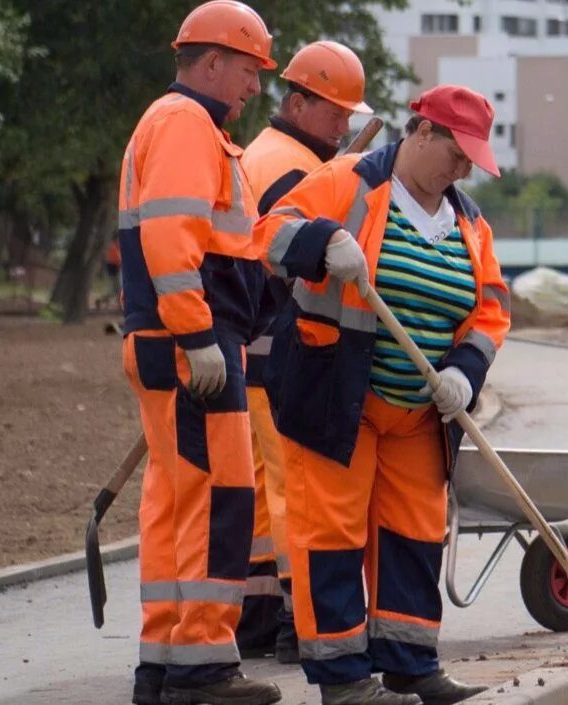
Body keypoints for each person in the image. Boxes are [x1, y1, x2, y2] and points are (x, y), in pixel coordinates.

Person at [254, 84, 506, 705]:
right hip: (336, 401)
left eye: (472, 159)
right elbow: (267, 232)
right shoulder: (348, 183)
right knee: (332, 535)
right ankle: (343, 682)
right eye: (456, 151)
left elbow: (492, 309)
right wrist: (322, 243)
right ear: (422, 133)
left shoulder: (470, 223)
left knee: (414, 537)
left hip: (419, 415)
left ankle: (411, 664)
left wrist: (465, 374)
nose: (463, 167)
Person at [116, 2, 282, 704]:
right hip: (194, 345)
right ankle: (206, 665)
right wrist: (197, 335)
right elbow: (172, 239)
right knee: (219, 499)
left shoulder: (175, 124)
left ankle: (166, 661)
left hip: (170, 342)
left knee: (176, 501)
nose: (254, 88)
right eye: (249, 71)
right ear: (212, 61)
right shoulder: (186, 124)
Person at [237, 39, 374, 665]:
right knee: (295, 488)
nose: (343, 127)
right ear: (296, 103)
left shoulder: (264, 153)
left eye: (349, 117)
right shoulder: (292, 168)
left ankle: (258, 617)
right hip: (279, 346)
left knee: (266, 490)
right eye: (335, 114)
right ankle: (300, 617)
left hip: (252, 348)